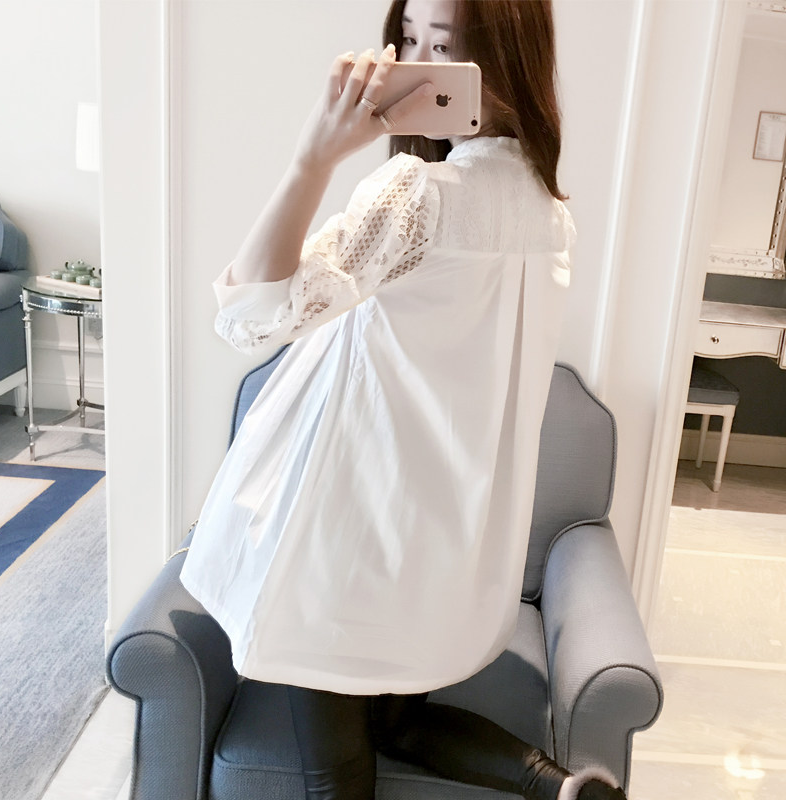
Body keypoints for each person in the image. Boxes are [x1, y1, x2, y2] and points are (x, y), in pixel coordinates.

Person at [181, 2, 627, 799]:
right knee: (397, 723)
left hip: (338, 534)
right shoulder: (552, 218)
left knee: (334, 775)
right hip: (433, 547)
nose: (412, 66)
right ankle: (560, 788)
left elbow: (253, 315)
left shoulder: (417, 193)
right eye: (408, 39)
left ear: (504, 61)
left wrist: (312, 156)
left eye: (443, 48)